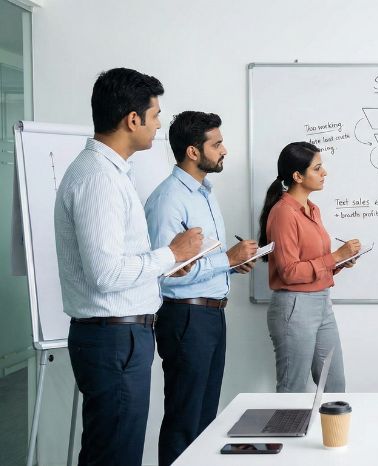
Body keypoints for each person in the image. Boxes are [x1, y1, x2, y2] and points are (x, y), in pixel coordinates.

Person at [54, 68, 202, 466]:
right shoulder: (99, 178)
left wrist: (163, 268)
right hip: (113, 339)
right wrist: (170, 254)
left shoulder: (109, 172)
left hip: (120, 337)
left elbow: (115, 264)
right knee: (115, 454)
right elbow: (105, 275)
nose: (157, 125)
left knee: (115, 449)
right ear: (131, 119)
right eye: (154, 116)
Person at [144, 111, 258, 465]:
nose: (224, 150)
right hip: (185, 317)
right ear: (193, 152)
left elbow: (202, 262)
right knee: (184, 418)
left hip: (209, 315)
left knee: (206, 419)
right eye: (217, 143)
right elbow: (167, 272)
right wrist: (226, 259)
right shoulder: (168, 199)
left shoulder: (204, 194)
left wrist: (234, 264)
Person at [258, 142, 360, 393]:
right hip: (295, 306)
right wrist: (334, 256)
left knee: (334, 385)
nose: (324, 172)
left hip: (321, 302)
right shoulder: (284, 213)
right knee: (292, 388)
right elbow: (290, 272)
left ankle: (331, 433)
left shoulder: (313, 210)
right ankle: (286, 432)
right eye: (317, 168)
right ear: (297, 176)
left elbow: (315, 261)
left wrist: (340, 262)